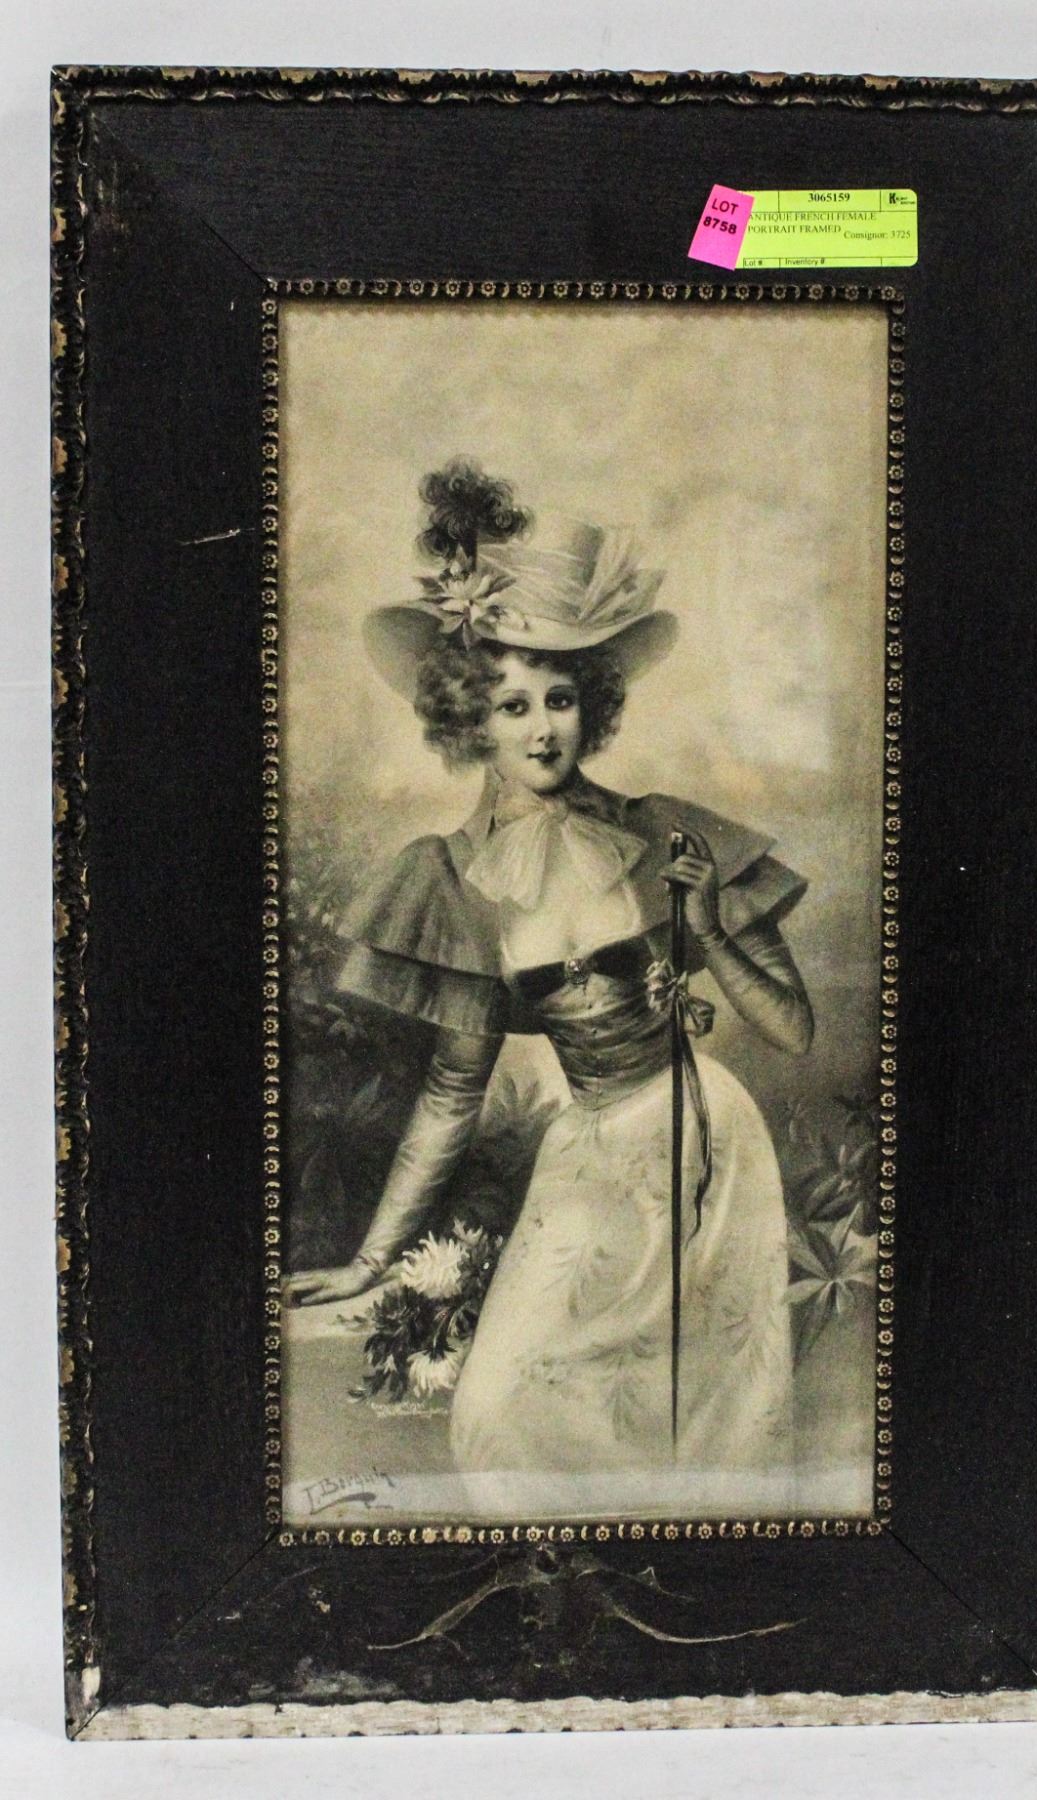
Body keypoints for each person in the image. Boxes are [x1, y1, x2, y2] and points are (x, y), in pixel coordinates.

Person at [286, 461, 813, 1516]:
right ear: (467, 721)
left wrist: (706, 924)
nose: (540, 729)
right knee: (499, 1414)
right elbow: (451, 1093)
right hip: (588, 1154)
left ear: (593, 708)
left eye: (560, 699)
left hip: (705, 1143)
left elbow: (793, 1032)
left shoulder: (664, 834)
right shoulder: (453, 879)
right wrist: (370, 1262)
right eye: (511, 704)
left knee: (706, 1425)